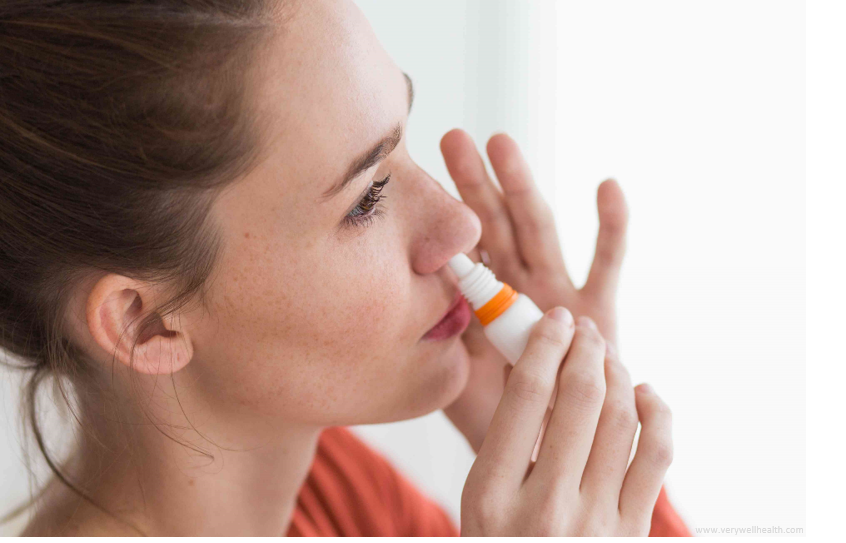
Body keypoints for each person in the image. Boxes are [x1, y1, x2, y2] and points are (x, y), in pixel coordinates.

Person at [0, 0, 690, 536]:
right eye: (367, 199)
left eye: (405, 142)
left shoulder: (336, 497)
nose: (462, 226)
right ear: (145, 322)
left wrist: (572, 460)